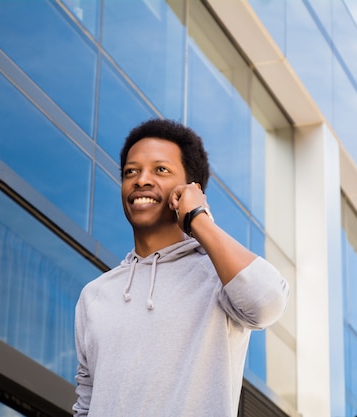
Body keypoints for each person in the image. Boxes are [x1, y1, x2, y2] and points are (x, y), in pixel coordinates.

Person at [73, 118, 289, 417]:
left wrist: (198, 218)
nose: (141, 180)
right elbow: (86, 405)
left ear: (190, 189)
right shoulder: (95, 295)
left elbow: (268, 303)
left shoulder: (219, 276)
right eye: (130, 172)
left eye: (160, 170)